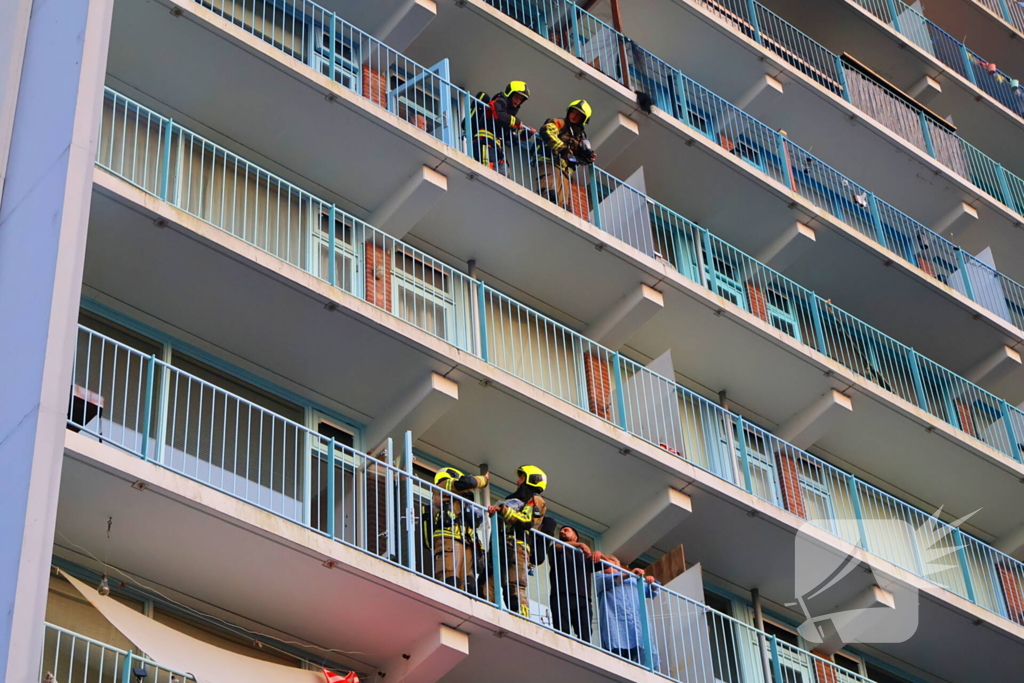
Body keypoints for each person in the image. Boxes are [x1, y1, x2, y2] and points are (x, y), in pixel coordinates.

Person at [485, 465, 548, 616]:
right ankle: (487, 614)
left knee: (514, 587)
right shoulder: (513, 502)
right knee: (487, 584)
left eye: (521, 478)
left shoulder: (536, 500)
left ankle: (522, 619)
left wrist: (504, 511)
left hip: (517, 548)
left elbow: (527, 520)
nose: (517, 481)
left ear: (532, 480)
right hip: (500, 547)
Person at [423, 467, 489, 593]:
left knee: (468, 582)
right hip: (449, 537)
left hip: (466, 541)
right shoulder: (444, 485)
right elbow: (466, 483)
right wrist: (483, 480)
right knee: (450, 575)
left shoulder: (459, 501)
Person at [594, 556, 660, 668]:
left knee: (641, 660)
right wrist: (630, 573)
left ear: (617, 566)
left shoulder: (634, 580)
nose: (605, 568)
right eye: (603, 566)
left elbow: (652, 591)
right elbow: (615, 579)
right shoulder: (600, 578)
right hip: (616, 628)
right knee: (618, 661)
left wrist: (650, 581)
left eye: (607, 565)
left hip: (636, 627)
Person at [533, 99, 597, 209]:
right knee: (549, 193)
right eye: (573, 112)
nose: (574, 116)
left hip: (565, 171)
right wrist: (563, 149)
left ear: (583, 120)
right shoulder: (560, 123)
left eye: (578, 115)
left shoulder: (579, 137)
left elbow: (579, 156)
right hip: (548, 161)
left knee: (563, 206)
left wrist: (587, 157)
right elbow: (546, 130)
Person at [547, 525, 604, 642]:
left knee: (585, 634)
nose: (562, 531)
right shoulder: (556, 548)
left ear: (574, 537)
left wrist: (600, 554)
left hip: (583, 598)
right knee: (562, 631)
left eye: (566, 530)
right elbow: (558, 546)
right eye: (561, 530)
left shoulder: (585, 557)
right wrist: (581, 544)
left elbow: (608, 566)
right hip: (561, 594)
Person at [471, 81, 533, 176]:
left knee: (504, 174)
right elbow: (499, 116)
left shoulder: (509, 115)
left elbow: (511, 140)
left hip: (498, 147)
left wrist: (526, 134)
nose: (518, 101)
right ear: (510, 93)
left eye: (521, 100)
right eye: (517, 97)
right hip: (485, 141)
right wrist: (515, 121)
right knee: (488, 172)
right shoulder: (499, 101)